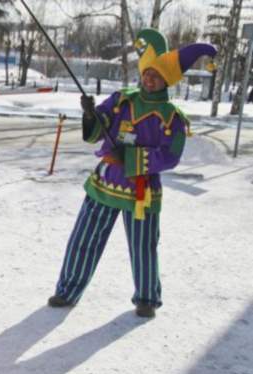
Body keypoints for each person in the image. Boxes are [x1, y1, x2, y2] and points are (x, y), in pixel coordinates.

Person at [47, 29, 217, 318]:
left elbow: (170, 156)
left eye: (156, 76)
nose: (148, 79)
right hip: (105, 183)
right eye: (146, 73)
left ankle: (147, 298)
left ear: (167, 81)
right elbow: (97, 130)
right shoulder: (120, 100)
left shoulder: (173, 118)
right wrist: (91, 115)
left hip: (142, 192)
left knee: (143, 248)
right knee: (83, 240)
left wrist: (129, 158)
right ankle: (67, 291)